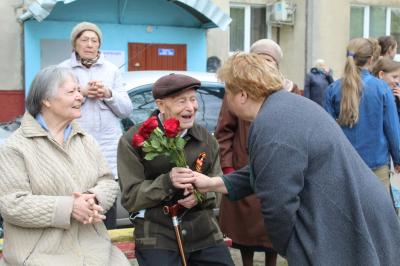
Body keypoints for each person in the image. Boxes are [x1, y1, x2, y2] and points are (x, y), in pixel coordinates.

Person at [177, 52, 400, 265]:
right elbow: (265, 169)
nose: (226, 98)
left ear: (243, 95)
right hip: (357, 213)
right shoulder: (283, 107)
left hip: (348, 221)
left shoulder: (273, 124)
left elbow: (278, 206)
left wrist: (291, 248)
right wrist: (213, 183)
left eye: (228, 92)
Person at [0, 66, 129, 266]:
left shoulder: (86, 140)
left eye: (79, 90)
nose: (80, 97)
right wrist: (69, 207)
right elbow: (12, 204)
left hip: (94, 249)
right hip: (40, 255)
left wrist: (93, 198)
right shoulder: (16, 147)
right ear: (46, 100)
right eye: (71, 92)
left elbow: (107, 181)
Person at [117, 73, 234, 265]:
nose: (191, 107)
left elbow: (218, 187)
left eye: (193, 99)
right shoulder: (134, 140)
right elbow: (130, 198)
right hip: (157, 234)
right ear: (160, 105)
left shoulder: (206, 139)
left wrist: (200, 195)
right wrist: (167, 182)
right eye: (182, 101)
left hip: (203, 232)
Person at [216, 38, 294, 266]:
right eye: (260, 59)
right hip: (242, 166)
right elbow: (224, 131)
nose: (265, 64)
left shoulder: (286, 91)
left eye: (270, 60)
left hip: (274, 167)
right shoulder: (236, 90)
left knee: (270, 228)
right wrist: (229, 166)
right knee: (244, 233)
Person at [59, 22, 133, 229]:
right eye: (84, 40)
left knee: (105, 203)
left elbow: (126, 109)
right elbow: (54, 105)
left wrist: (108, 94)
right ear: (75, 43)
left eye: (94, 40)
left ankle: (105, 246)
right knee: (77, 199)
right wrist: (80, 93)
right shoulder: (62, 70)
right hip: (73, 147)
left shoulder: (111, 70)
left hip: (107, 150)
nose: (90, 44)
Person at [324, 38, 400, 193]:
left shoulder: (332, 90)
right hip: (376, 167)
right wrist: (398, 158)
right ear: (371, 59)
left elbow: (326, 133)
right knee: (378, 216)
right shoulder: (382, 89)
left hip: (344, 167)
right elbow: (392, 129)